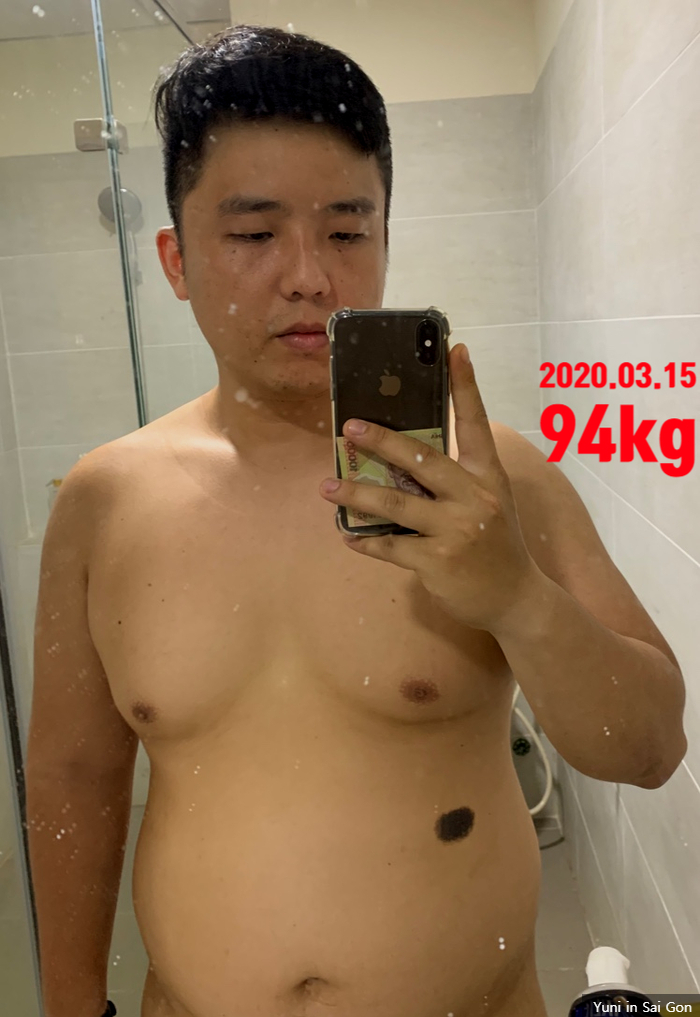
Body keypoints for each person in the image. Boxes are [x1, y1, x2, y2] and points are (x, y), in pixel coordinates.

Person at [25, 24, 687, 1017]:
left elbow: (649, 749)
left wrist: (515, 594)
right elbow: (74, 778)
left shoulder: (495, 476)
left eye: (346, 231)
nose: (308, 275)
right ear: (175, 258)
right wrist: (73, 1003)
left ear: (384, 237)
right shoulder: (103, 500)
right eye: (254, 234)